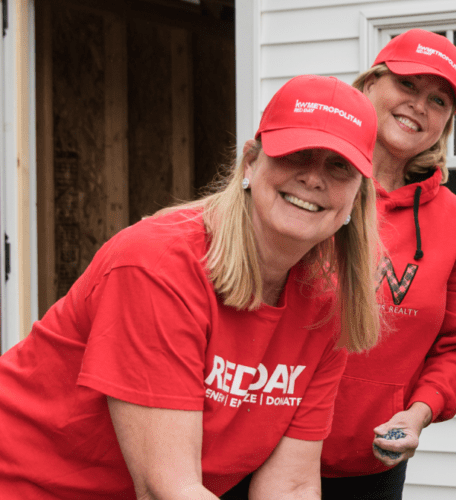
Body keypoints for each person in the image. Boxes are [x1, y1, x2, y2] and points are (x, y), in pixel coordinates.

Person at [0, 74, 382, 499]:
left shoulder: (325, 307)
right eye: (296, 154)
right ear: (251, 163)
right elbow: (167, 489)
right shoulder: (157, 265)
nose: (314, 178)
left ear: (357, 198)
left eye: (339, 166)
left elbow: (290, 486)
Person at [318, 29, 456, 497]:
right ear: (370, 83)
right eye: (407, 85)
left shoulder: (454, 222)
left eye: (438, 101)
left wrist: (417, 412)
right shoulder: (311, 185)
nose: (418, 105)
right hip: (268, 449)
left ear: (447, 122)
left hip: (374, 465)